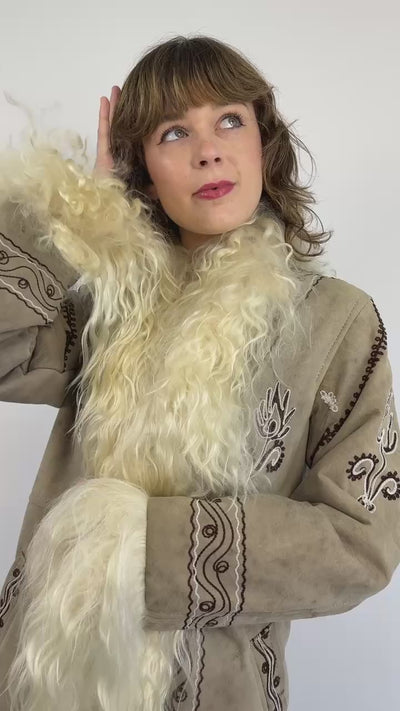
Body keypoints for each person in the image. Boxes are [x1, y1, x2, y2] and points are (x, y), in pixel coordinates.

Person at [0, 34, 399, 711]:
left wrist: (142, 546)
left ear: (263, 142)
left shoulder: (339, 320)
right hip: (41, 677)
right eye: (174, 132)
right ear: (142, 168)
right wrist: (83, 213)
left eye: (230, 120)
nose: (208, 150)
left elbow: (361, 542)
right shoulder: (105, 304)